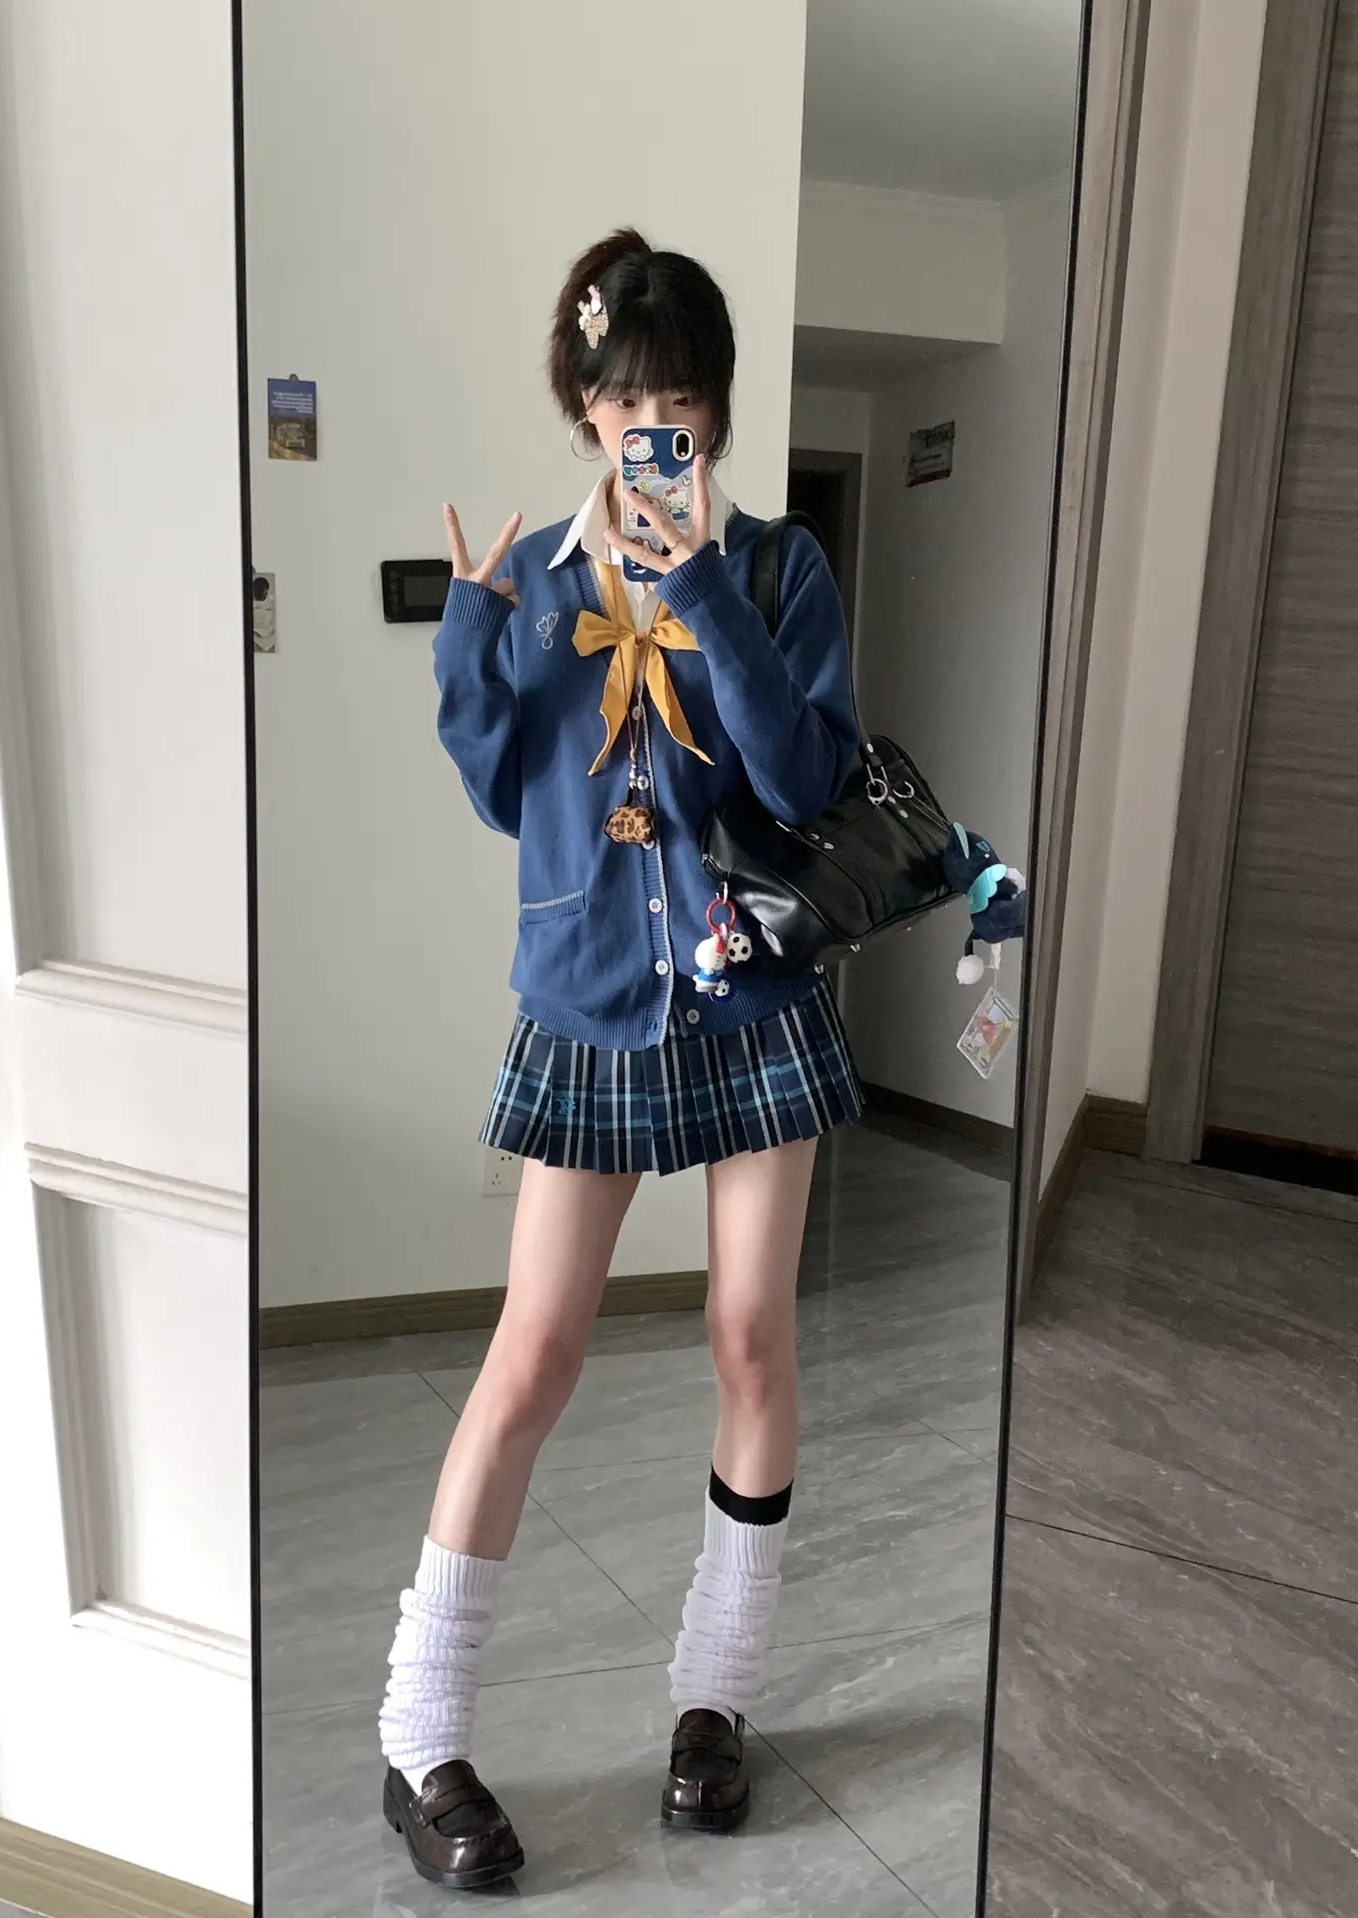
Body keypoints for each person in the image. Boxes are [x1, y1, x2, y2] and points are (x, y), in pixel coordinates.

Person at [377, 227, 864, 1890]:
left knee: (749, 1335)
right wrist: (473, 632)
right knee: (535, 1352)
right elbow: (501, 787)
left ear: (715, 410)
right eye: (627, 397)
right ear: (585, 405)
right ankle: (418, 1733)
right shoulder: (536, 579)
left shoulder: (781, 569)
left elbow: (803, 783)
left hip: (752, 997)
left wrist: (704, 587)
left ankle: (714, 1703)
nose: (655, 427)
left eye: (683, 400)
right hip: (590, 994)